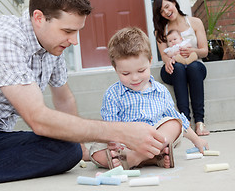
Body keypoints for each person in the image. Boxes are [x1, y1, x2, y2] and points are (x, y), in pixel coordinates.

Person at [0, 0, 167, 187]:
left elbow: (64, 99)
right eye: (67, 31)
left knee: (68, 151)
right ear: (38, 18)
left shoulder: (52, 50)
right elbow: (38, 119)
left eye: (77, 32)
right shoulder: (3, 37)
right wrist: (121, 132)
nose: (74, 41)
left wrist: (83, 148)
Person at [89, 27, 208, 170]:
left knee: (174, 124)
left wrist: (197, 140)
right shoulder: (113, 94)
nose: (135, 78)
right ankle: (151, 158)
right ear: (116, 69)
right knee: (96, 152)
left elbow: (179, 120)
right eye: (126, 73)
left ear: (150, 61)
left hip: (156, 138)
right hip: (127, 142)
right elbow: (111, 127)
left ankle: (136, 158)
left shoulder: (160, 91)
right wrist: (117, 144)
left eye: (141, 70)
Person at [152, 0, 210, 136]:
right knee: (178, 68)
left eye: (167, 6)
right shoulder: (160, 31)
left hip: (194, 65)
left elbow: (204, 51)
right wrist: (169, 61)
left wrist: (193, 50)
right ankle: (185, 121)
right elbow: (165, 56)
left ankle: (199, 122)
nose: (166, 12)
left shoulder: (195, 22)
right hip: (174, 69)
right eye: (162, 11)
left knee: (193, 67)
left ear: (174, 3)